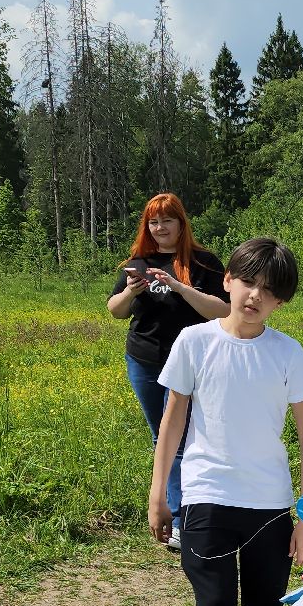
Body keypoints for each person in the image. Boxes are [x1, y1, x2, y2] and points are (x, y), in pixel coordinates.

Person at [151, 238, 303, 606]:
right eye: (248, 283)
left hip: (270, 506)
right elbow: (173, 420)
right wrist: (159, 493)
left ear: (279, 304)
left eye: (269, 293)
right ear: (227, 280)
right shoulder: (193, 342)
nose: (255, 297)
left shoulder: (288, 352)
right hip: (205, 497)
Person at [108, 193, 229, 552]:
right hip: (145, 361)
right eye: (153, 222)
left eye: (167, 221)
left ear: (181, 224)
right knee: (161, 437)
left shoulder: (204, 263)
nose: (160, 228)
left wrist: (177, 285)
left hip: (192, 364)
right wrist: (130, 291)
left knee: (176, 439)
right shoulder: (137, 263)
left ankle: (181, 518)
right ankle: (177, 511)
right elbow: (115, 310)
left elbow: (221, 311)